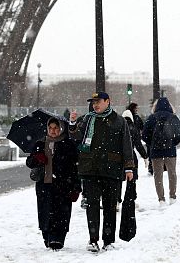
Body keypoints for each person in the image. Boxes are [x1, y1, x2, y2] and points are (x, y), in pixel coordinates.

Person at [69, 92, 135, 253]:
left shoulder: (119, 121)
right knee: (92, 205)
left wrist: (129, 167)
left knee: (110, 206)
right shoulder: (87, 119)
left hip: (112, 170)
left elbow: (126, 144)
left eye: (98, 102)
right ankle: (93, 240)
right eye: (93, 102)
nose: (95, 105)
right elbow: (76, 136)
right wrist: (72, 123)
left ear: (107, 101)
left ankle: (108, 240)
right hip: (90, 169)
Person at [27, 118, 80, 251]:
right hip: (44, 185)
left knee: (61, 213)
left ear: (61, 129)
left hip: (63, 186)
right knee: (45, 212)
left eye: (56, 128)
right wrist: (37, 158)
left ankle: (58, 238)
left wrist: (76, 187)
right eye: (50, 128)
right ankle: (47, 236)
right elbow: (29, 162)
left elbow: (75, 167)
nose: (53, 131)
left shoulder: (68, 144)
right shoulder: (40, 143)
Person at [141, 97, 180, 207]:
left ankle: (161, 199)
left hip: (156, 152)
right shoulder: (173, 117)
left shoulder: (151, 118)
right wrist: (172, 143)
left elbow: (144, 135)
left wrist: (152, 144)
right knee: (172, 173)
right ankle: (172, 196)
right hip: (170, 151)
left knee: (158, 175)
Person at [121, 109, 147, 210]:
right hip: (131, 157)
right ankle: (131, 199)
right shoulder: (134, 128)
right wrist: (145, 156)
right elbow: (138, 145)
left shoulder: (119, 127)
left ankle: (117, 200)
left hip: (119, 158)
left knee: (118, 181)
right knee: (132, 180)